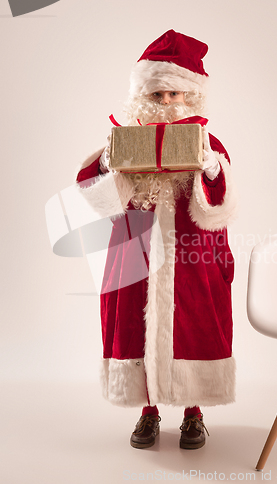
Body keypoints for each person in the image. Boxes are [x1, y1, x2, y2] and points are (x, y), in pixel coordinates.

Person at [76, 30, 237, 450]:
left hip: (192, 255)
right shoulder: (124, 138)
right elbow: (98, 195)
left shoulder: (208, 142)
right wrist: (109, 164)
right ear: (143, 94)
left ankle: (193, 414)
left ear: (190, 97)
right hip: (135, 250)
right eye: (158, 94)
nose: (166, 102)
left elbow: (220, 205)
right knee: (135, 327)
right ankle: (148, 413)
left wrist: (212, 170)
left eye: (175, 94)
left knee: (193, 327)